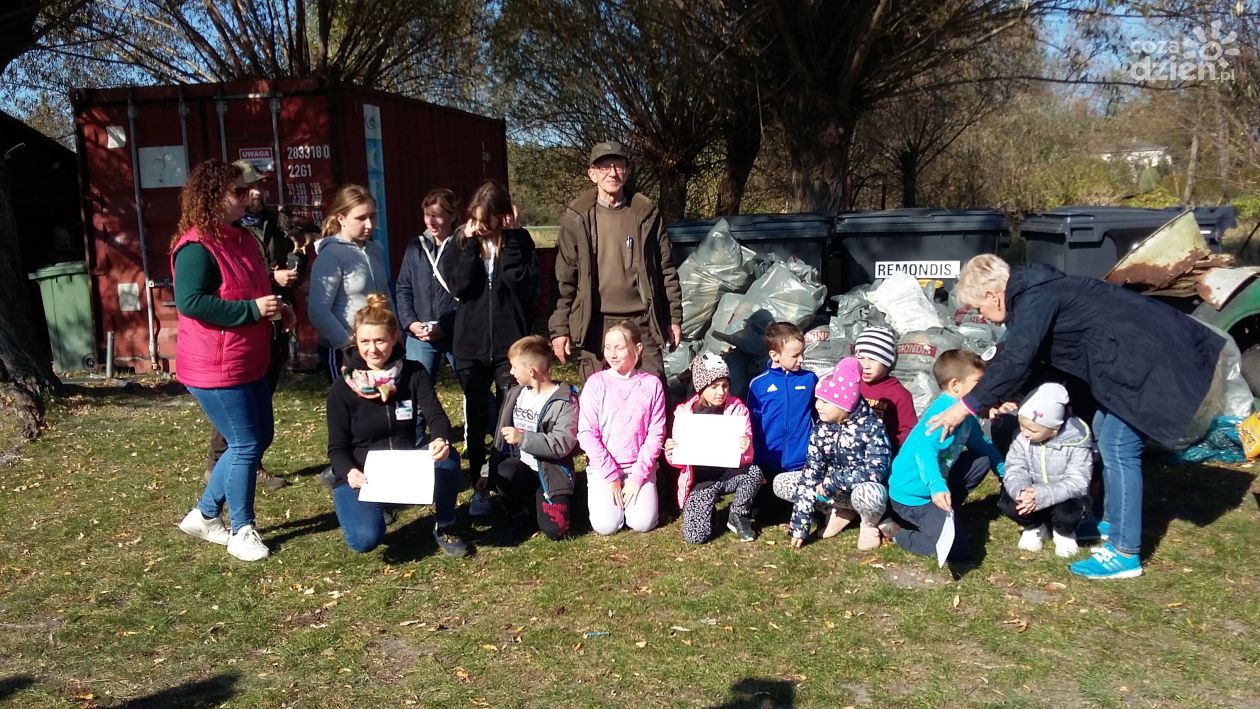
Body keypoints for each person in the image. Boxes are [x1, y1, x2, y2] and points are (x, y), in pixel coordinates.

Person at [928, 255, 1227, 580]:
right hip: (1130, 363)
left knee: (1119, 447)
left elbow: (1017, 359)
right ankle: (1110, 523)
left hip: (1150, 360)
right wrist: (999, 398)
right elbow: (1031, 361)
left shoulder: (1035, 297)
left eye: (980, 308)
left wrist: (966, 406)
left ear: (992, 295)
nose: (984, 316)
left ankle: (1125, 552)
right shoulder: (1034, 292)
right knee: (1104, 431)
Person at [172, 159, 293, 562]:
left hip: (248, 359)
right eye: (238, 192)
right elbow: (191, 302)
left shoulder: (241, 238)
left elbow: (253, 289)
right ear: (212, 197)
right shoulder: (196, 248)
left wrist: (278, 308)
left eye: (248, 190)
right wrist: (253, 311)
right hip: (215, 366)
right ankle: (242, 530)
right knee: (244, 443)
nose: (248, 197)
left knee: (259, 437)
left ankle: (205, 515)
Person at [325, 294, 466, 557]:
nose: (372, 349)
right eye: (365, 341)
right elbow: (336, 447)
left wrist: (440, 439)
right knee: (364, 540)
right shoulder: (343, 387)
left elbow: (436, 416)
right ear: (355, 341)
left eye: (379, 340)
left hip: (404, 465)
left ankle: (445, 524)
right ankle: (368, 502)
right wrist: (348, 471)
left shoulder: (413, 373)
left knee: (448, 458)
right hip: (362, 472)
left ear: (393, 338)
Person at [202, 160, 302, 491]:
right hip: (242, 327)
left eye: (258, 186)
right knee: (237, 407)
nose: (255, 193)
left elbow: (286, 256)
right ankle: (220, 467)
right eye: (247, 188)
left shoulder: (275, 221)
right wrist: (273, 277)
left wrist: (294, 268)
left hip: (272, 320)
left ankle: (250, 463)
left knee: (260, 401)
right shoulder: (225, 232)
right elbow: (213, 291)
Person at [548, 140, 683, 383]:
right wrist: (559, 328)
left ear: (627, 171)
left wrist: (673, 319)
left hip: (642, 321)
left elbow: (666, 269)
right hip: (596, 323)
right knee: (598, 394)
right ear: (592, 174)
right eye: (604, 167)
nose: (612, 173)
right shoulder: (577, 217)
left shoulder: (646, 214)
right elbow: (564, 278)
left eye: (618, 166)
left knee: (653, 387)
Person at [438, 180, 538, 480]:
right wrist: (470, 247)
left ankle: (503, 475)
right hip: (471, 344)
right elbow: (459, 286)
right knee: (477, 413)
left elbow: (521, 284)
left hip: (510, 344)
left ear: (501, 215)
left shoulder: (519, 241)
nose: (480, 226)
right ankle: (477, 478)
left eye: (486, 220)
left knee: (508, 411)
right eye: (476, 219)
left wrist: (514, 239)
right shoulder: (460, 242)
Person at [884, 350, 1005, 565]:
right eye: (978, 383)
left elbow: (983, 444)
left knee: (981, 461)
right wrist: (937, 486)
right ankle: (897, 532)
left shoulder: (964, 414)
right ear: (955, 385)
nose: (983, 389)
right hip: (913, 495)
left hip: (936, 481)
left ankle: (947, 509)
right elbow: (924, 451)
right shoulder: (942, 414)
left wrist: (1005, 473)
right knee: (955, 550)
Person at [777, 358, 891, 550]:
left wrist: (832, 482)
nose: (817, 406)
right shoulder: (821, 428)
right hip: (829, 493)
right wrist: (800, 525)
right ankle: (836, 512)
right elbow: (811, 473)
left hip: (856, 492)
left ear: (844, 405)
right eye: (817, 400)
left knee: (872, 493)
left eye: (824, 402)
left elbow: (875, 471)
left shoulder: (872, 427)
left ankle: (869, 525)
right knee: (782, 483)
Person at [482, 335, 579, 541]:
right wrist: (487, 471)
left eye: (514, 367)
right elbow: (500, 436)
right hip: (522, 466)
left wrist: (523, 439)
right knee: (502, 472)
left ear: (531, 371)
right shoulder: (515, 394)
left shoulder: (565, 401)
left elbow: (562, 443)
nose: (511, 372)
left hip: (551, 471)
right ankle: (518, 511)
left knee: (556, 531)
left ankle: (550, 497)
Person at [577, 320, 666, 535]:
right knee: (606, 526)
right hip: (604, 468)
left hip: (638, 467)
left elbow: (656, 433)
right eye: (608, 347)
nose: (612, 354)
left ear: (637, 348)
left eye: (619, 347)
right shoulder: (595, 383)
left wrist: (638, 477)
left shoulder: (652, 384)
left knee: (643, 523)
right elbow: (587, 433)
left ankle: (640, 498)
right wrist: (610, 476)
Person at [664, 352, 762, 544]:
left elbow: (747, 458)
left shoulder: (737, 410)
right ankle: (708, 509)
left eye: (725, 385)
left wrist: (745, 447)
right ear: (701, 387)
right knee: (695, 537)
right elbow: (678, 463)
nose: (721, 392)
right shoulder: (684, 414)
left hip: (728, 475)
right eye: (714, 386)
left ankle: (738, 514)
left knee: (754, 472)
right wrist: (671, 452)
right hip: (701, 482)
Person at [308, 185, 391, 382]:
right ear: (341, 218)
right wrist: (348, 345)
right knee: (351, 401)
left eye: (372, 217)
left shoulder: (374, 251)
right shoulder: (331, 255)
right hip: (342, 351)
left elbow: (386, 295)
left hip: (376, 348)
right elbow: (318, 310)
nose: (369, 224)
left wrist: (395, 336)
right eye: (360, 218)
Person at [999, 383, 1092, 558]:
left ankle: (1064, 532)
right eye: (1022, 426)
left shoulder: (1076, 441)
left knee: (1068, 512)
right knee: (1008, 501)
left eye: (1032, 430)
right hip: (1032, 494)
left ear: (1054, 429)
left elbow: (1078, 482)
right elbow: (1015, 468)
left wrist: (1041, 494)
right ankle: (1035, 526)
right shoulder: (1021, 437)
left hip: (1063, 496)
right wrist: (1022, 491)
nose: (1025, 433)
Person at [748, 323, 818, 516]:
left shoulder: (809, 380)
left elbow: (819, 415)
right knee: (764, 516)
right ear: (774, 355)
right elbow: (752, 424)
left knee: (808, 510)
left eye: (802, 353)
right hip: (769, 462)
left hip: (801, 461)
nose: (801, 359)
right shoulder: (759, 384)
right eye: (795, 355)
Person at [396, 188, 460, 380]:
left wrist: (446, 326)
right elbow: (403, 287)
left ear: (452, 216)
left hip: (457, 332)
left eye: (437, 216)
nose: (431, 222)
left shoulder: (463, 246)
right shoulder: (415, 247)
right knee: (416, 387)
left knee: (473, 388)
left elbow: (471, 295)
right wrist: (410, 322)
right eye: (427, 215)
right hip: (420, 335)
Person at [853, 326, 917, 453]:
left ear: (887, 361)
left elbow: (908, 432)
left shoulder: (899, 394)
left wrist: (895, 451)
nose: (865, 365)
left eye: (873, 359)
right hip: (852, 453)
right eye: (861, 358)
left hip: (882, 455)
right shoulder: (852, 383)